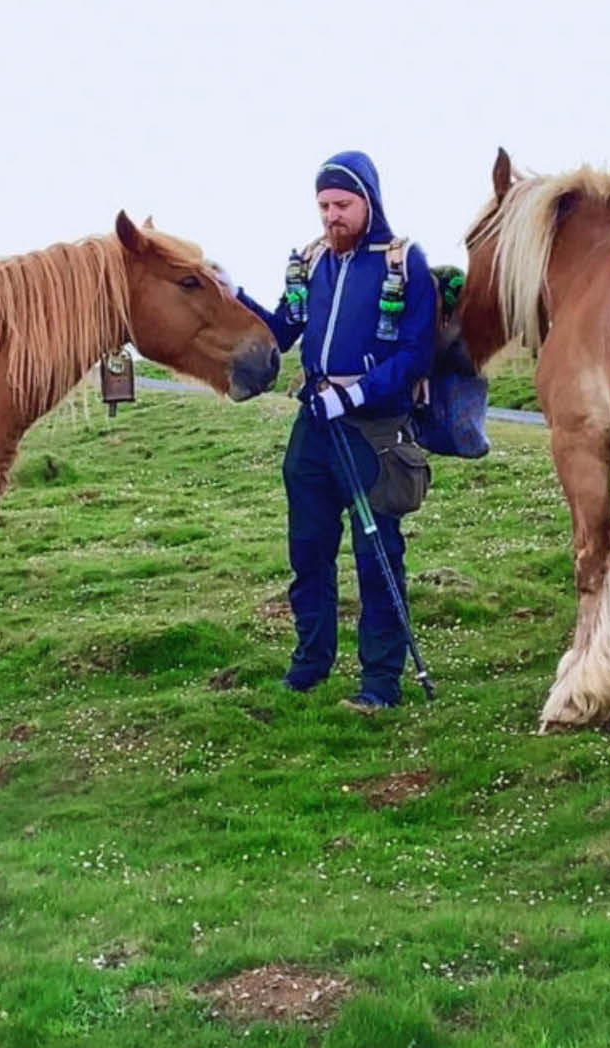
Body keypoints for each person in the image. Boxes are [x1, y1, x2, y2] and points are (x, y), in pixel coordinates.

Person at [227, 150, 438, 712]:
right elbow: (282, 329)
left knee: (378, 556)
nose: (330, 216)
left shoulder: (403, 262)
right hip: (314, 427)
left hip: (375, 431)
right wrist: (230, 295)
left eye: (341, 204)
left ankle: (380, 684)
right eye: (323, 205)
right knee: (308, 551)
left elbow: (417, 352)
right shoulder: (312, 261)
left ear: (369, 200)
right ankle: (310, 665)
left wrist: (353, 394)